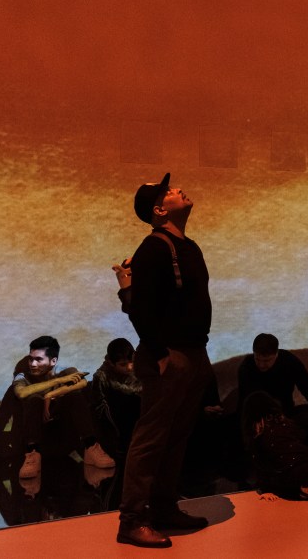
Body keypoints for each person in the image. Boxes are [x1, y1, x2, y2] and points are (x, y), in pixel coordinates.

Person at [117, 173, 215, 548]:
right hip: (169, 355)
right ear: (159, 211)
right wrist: (159, 354)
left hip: (192, 352)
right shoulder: (154, 248)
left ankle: (163, 507)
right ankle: (132, 519)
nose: (176, 190)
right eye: (167, 192)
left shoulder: (188, 246)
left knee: (175, 437)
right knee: (152, 438)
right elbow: (141, 309)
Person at [12, 336, 114, 479]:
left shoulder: (64, 370)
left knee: (74, 396)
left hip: (67, 437)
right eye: (31, 359)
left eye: (38, 359)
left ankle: (91, 447)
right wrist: (59, 381)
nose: (32, 364)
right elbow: (21, 393)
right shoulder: (22, 376)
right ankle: (32, 454)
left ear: (53, 361)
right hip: (41, 441)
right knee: (33, 399)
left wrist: (50, 395)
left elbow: (83, 382)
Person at [237, 333, 308, 448]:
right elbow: (245, 403)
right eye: (257, 359)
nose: (261, 365)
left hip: (286, 412)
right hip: (260, 418)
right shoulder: (246, 367)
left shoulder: (289, 361)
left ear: (276, 354)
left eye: (266, 360)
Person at [240, 391, 308, 502]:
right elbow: (301, 438)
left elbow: (261, 464)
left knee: (281, 481)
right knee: (306, 462)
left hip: (292, 474)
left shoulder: (258, 435)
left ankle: (301, 492)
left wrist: (266, 490)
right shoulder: (286, 423)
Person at [90, 338, 142, 459]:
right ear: (111, 363)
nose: (129, 367)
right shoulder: (102, 376)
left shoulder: (139, 367)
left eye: (131, 362)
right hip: (117, 423)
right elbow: (98, 407)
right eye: (123, 364)